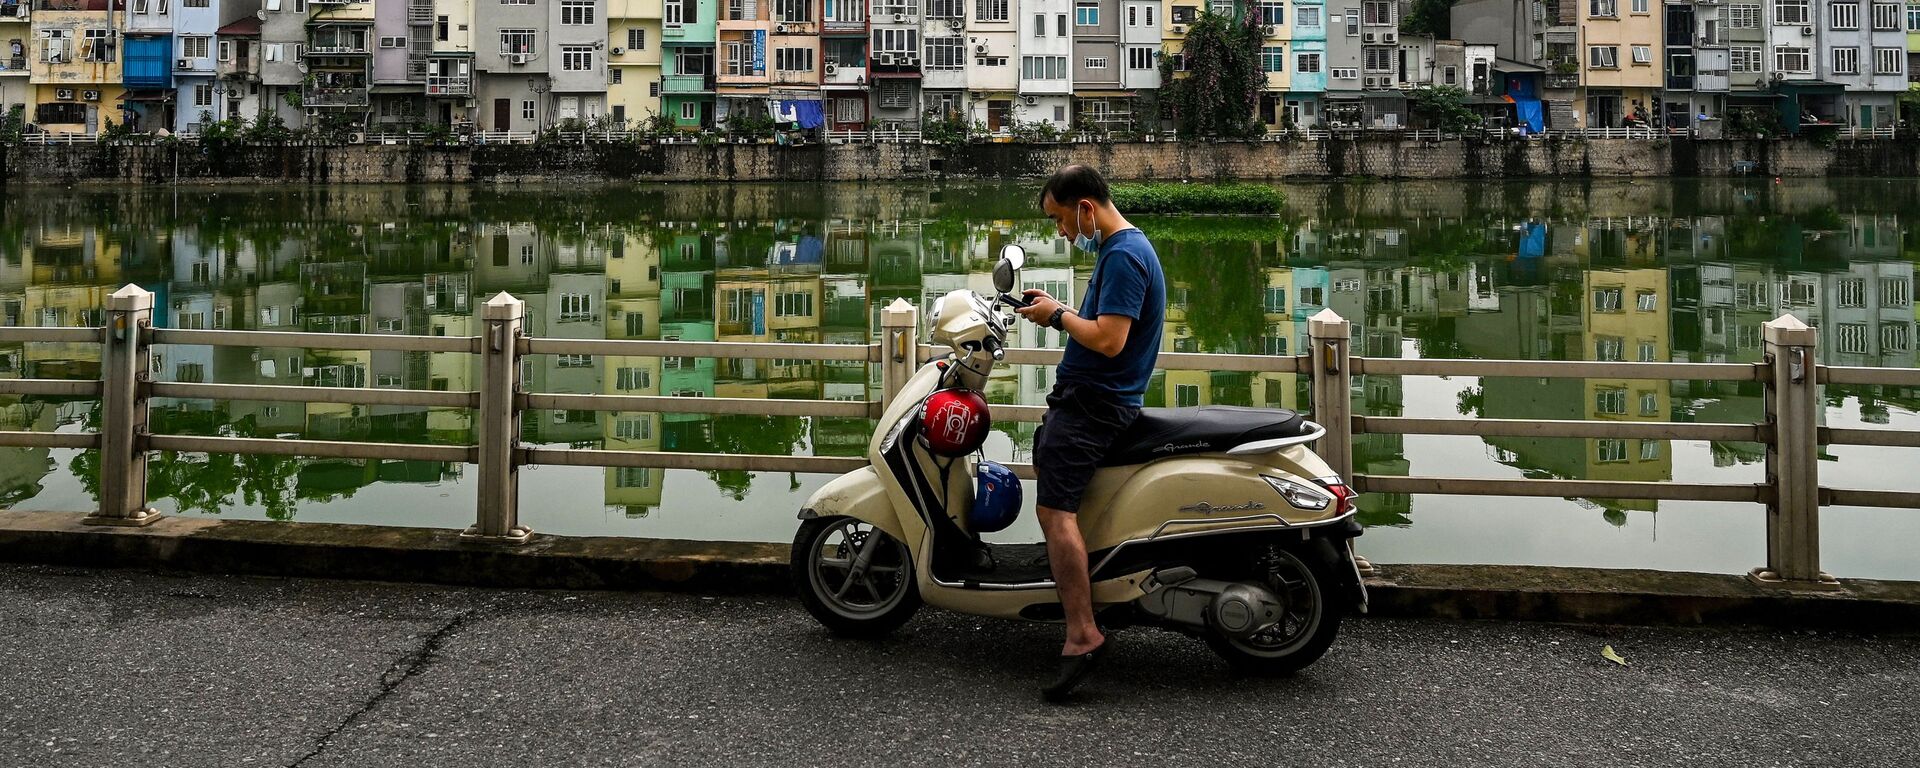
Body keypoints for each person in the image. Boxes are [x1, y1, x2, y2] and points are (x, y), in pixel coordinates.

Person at [1013, 165, 1166, 702]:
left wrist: (1058, 318)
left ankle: (1082, 633)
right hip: (1094, 400)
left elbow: (1108, 341)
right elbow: (1100, 322)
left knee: (1056, 513)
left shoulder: (1123, 255)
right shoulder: (1123, 248)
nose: (1060, 232)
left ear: (1085, 207)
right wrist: (1060, 311)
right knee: (1061, 508)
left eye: (1060, 219)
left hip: (1095, 406)